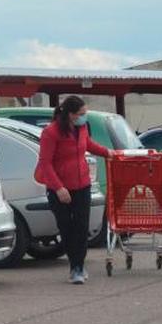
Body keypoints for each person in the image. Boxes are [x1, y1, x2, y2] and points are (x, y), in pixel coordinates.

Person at [35, 96, 112, 284]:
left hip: (82, 184)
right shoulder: (51, 132)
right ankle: (74, 265)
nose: (84, 117)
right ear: (70, 114)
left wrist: (108, 152)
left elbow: (89, 144)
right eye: (81, 114)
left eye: (84, 114)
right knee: (66, 228)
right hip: (59, 188)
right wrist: (59, 187)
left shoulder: (82, 127)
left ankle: (78, 266)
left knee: (81, 227)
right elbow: (45, 163)